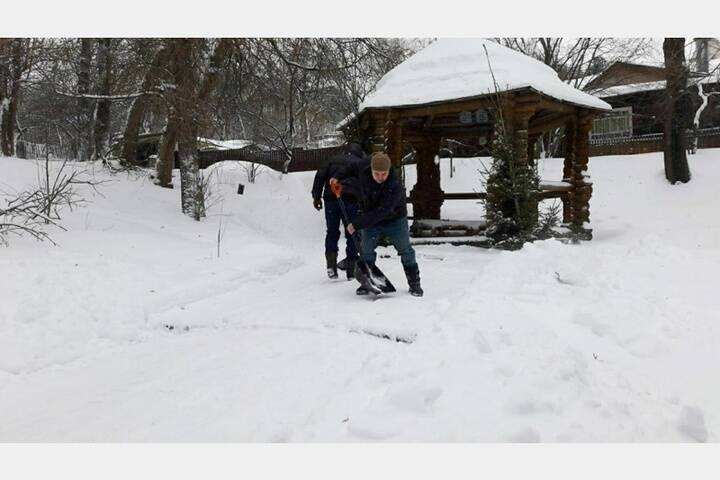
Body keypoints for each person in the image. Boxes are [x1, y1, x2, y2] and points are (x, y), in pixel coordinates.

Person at [332, 152, 423, 297]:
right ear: (371, 169)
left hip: (394, 219)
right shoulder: (363, 166)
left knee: (405, 249)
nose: (380, 177)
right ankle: (367, 281)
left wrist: (356, 224)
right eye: (377, 174)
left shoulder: (394, 184)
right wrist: (336, 176)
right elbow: (350, 167)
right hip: (370, 216)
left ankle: (414, 284)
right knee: (366, 250)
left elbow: (382, 212)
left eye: (384, 174)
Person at [311, 143, 366, 280]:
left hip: (330, 199)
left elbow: (320, 176)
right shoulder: (360, 162)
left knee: (332, 231)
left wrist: (316, 197)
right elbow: (365, 183)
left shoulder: (332, 159)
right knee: (352, 232)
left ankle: (331, 266)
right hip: (352, 199)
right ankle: (351, 268)